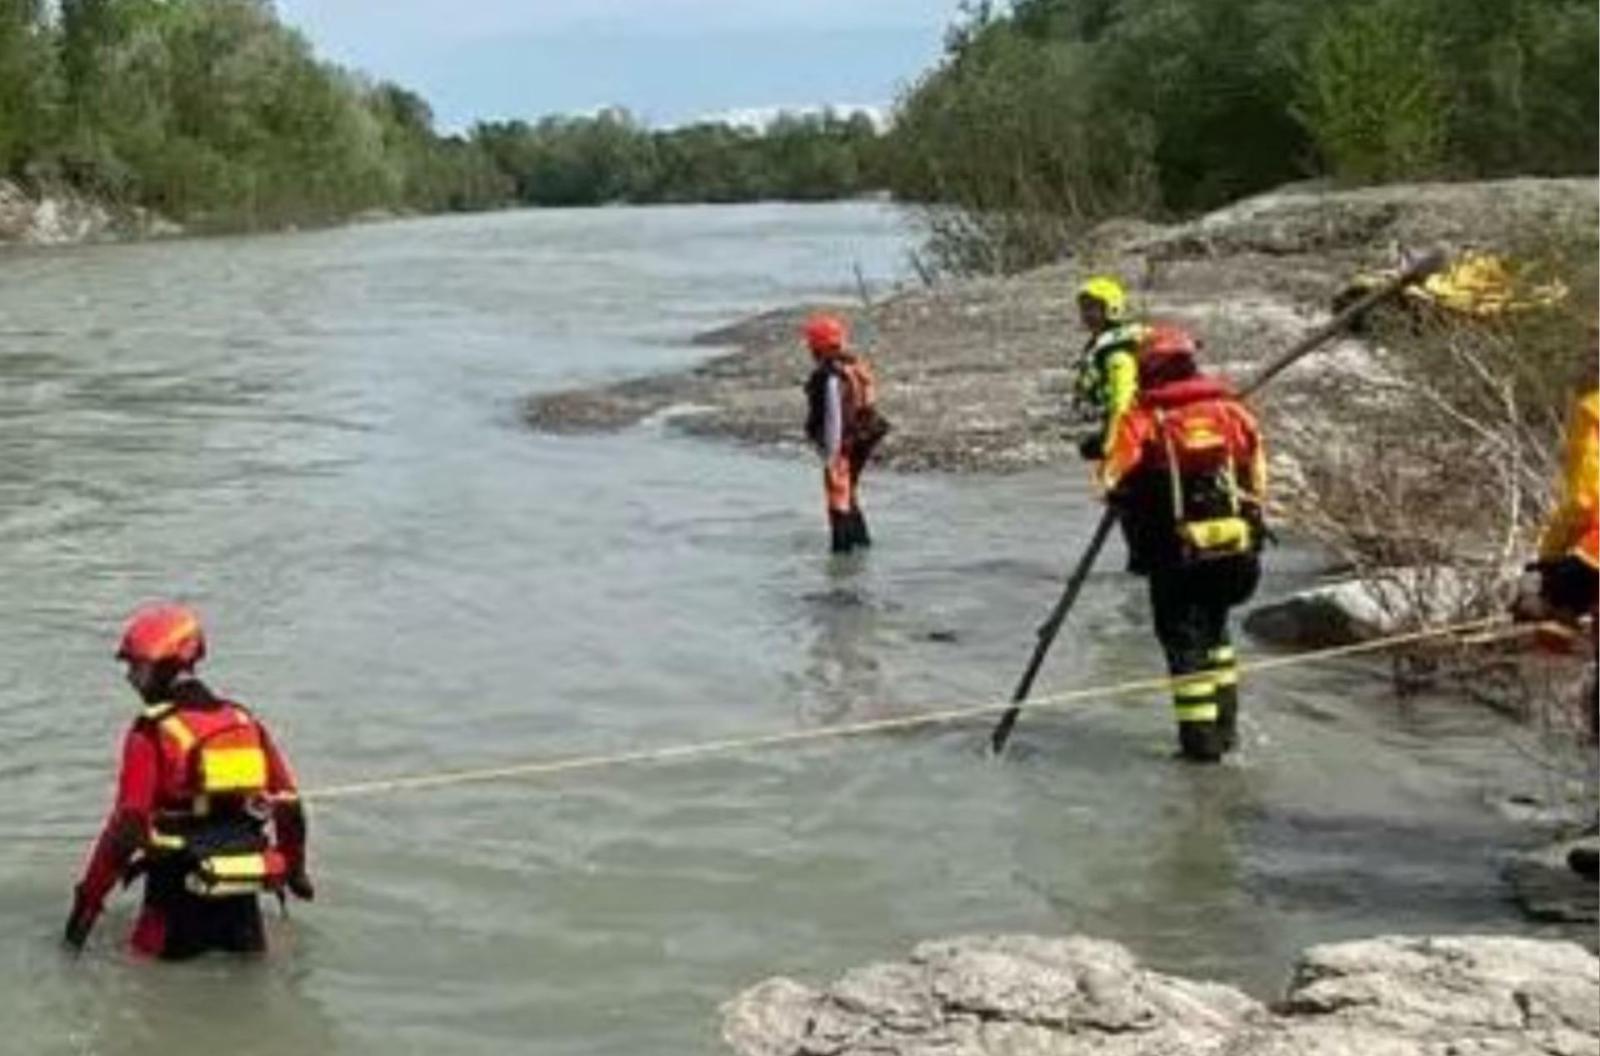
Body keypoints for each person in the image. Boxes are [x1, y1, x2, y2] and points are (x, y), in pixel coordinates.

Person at [64, 603, 313, 959]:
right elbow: (290, 806)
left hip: (172, 904)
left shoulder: (151, 731)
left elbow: (127, 825)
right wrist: (295, 871)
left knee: (152, 1002)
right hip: (242, 905)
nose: (130, 678)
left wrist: (88, 899)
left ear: (165, 667)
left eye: (137, 666)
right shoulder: (243, 722)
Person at [1099, 326, 1267, 762]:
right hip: (1235, 551)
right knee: (1217, 634)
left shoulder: (1143, 419)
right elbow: (1258, 472)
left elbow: (1111, 477)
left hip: (1174, 555)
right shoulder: (1231, 410)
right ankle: (1227, 733)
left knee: (1184, 647)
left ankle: (1200, 749)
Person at [803, 314, 888, 554]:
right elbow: (868, 398)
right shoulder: (854, 365)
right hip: (866, 433)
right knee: (849, 490)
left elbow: (833, 416)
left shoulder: (828, 376)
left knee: (838, 494)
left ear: (815, 346)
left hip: (844, 439)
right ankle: (861, 544)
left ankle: (842, 553)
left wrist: (832, 454)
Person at [1071, 276, 1148, 462]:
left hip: (1133, 425)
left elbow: (1122, 400)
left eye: (1093, 308)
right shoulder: (1101, 345)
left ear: (1111, 309)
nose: (1087, 315)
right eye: (1084, 308)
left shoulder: (1117, 351)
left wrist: (1110, 442)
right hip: (1122, 421)